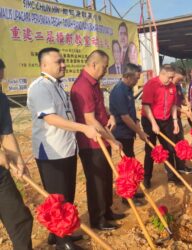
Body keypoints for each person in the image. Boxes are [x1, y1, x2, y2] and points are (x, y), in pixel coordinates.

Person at [27, 48, 99, 250]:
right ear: (44, 65)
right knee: (57, 197)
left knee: (67, 194)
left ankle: (58, 234)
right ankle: (62, 242)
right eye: (58, 62)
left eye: (63, 61)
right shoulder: (40, 87)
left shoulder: (57, 86)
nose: (63, 65)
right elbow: (50, 118)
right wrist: (84, 128)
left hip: (66, 148)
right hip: (51, 152)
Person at [70, 50, 124, 231]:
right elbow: (90, 120)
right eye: (104, 67)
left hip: (103, 138)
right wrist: (113, 139)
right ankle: (98, 219)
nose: (106, 71)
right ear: (94, 65)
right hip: (92, 143)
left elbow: (99, 108)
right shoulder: (83, 86)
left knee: (107, 177)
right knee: (97, 182)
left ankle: (107, 211)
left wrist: (110, 116)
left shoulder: (94, 84)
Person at [0, 59, 33, 250]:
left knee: (19, 219)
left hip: (1, 177)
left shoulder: (1, 99)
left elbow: (6, 133)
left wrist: (18, 160)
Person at [141, 64, 185, 189]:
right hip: (150, 121)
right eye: (169, 78)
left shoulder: (172, 87)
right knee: (150, 149)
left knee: (169, 148)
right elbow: (146, 106)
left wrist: (175, 122)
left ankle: (172, 176)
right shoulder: (151, 85)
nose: (171, 80)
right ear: (162, 74)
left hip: (166, 120)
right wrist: (154, 124)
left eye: (172, 78)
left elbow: (173, 106)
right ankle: (147, 178)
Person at [109, 63, 146, 206]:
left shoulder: (128, 89)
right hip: (121, 134)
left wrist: (137, 124)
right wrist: (140, 132)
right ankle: (127, 197)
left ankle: (133, 191)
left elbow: (131, 113)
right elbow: (124, 117)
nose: (138, 81)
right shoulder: (119, 91)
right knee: (127, 167)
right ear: (128, 76)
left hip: (129, 133)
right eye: (136, 78)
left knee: (131, 164)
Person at [173, 66, 192, 174]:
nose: (180, 81)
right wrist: (184, 111)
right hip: (169, 121)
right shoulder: (168, 87)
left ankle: (182, 166)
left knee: (180, 142)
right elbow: (171, 105)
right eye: (179, 79)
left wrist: (187, 103)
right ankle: (172, 172)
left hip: (178, 118)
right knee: (171, 145)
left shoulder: (178, 86)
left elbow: (181, 100)